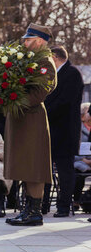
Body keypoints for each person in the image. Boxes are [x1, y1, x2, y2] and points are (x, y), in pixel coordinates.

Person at [5, 23, 57, 226]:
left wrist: (15, 101)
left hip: (31, 118)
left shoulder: (45, 61)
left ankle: (34, 212)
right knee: (24, 166)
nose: (24, 42)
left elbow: (40, 92)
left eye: (29, 39)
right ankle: (27, 210)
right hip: (21, 118)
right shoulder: (29, 59)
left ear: (41, 41)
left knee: (33, 166)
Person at [41, 45, 83, 217]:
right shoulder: (54, 75)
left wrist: (43, 111)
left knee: (65, 171)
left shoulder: (72, 74)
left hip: (65, 131)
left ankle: (64, 206)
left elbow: (64, 102)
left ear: (54, 57)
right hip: (51, 131)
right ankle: (42, 205)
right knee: (44, 170)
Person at [73, 103, 91, 208]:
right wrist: (84, 160)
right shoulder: (78, 128)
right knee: (79, 172)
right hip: (81, 159)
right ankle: (76, 200)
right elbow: (74, 149)